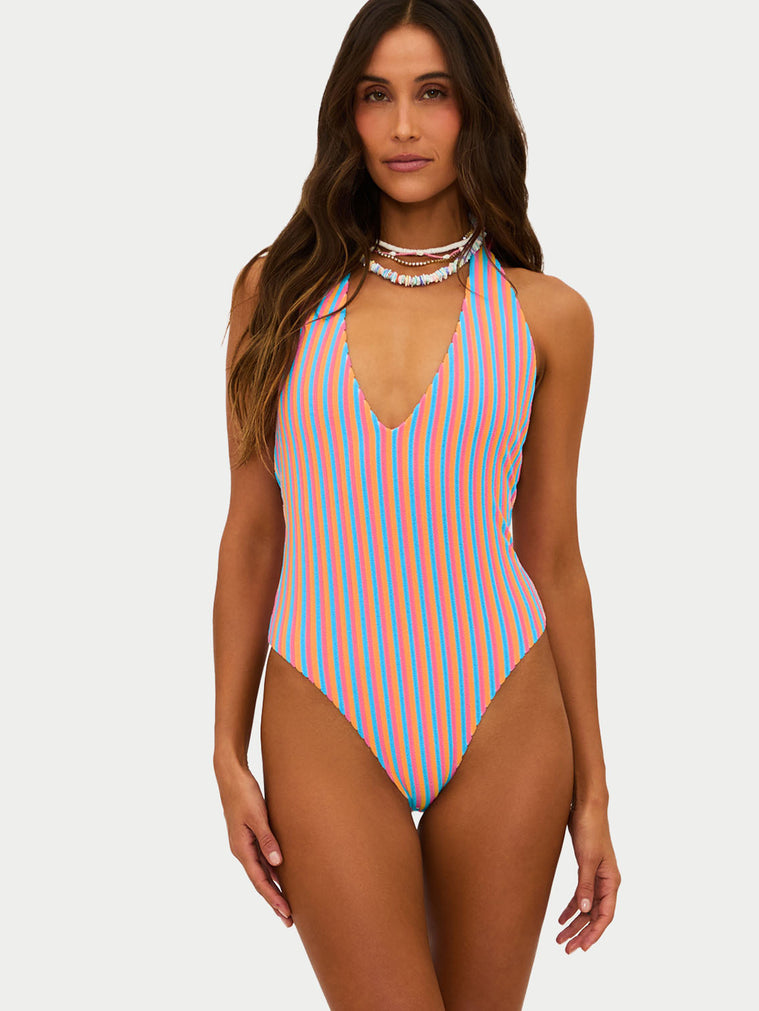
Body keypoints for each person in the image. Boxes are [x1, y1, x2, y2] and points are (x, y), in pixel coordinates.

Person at [213, 1, 621, 1006]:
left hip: (505, 705)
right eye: (376, 96)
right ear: (345, 116)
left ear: (474, 108)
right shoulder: (274, 295)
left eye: (432, 93)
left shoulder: (546, 317)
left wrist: (595, 791)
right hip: (321, 700)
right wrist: (225, 748)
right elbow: (253, 533)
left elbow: (552, 552)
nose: (403, 126)